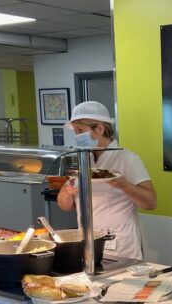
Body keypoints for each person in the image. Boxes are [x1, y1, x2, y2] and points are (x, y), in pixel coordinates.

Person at [57, 101, 157, 260]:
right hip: (87, 241)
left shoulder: (128, 159)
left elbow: (151, 203)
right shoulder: (84, 159)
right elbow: (65, 206)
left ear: (99, 128)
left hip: (119, 243)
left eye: (80, 130)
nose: (77, 136)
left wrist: (124, 185)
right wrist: (66, 192)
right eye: (75, 131)